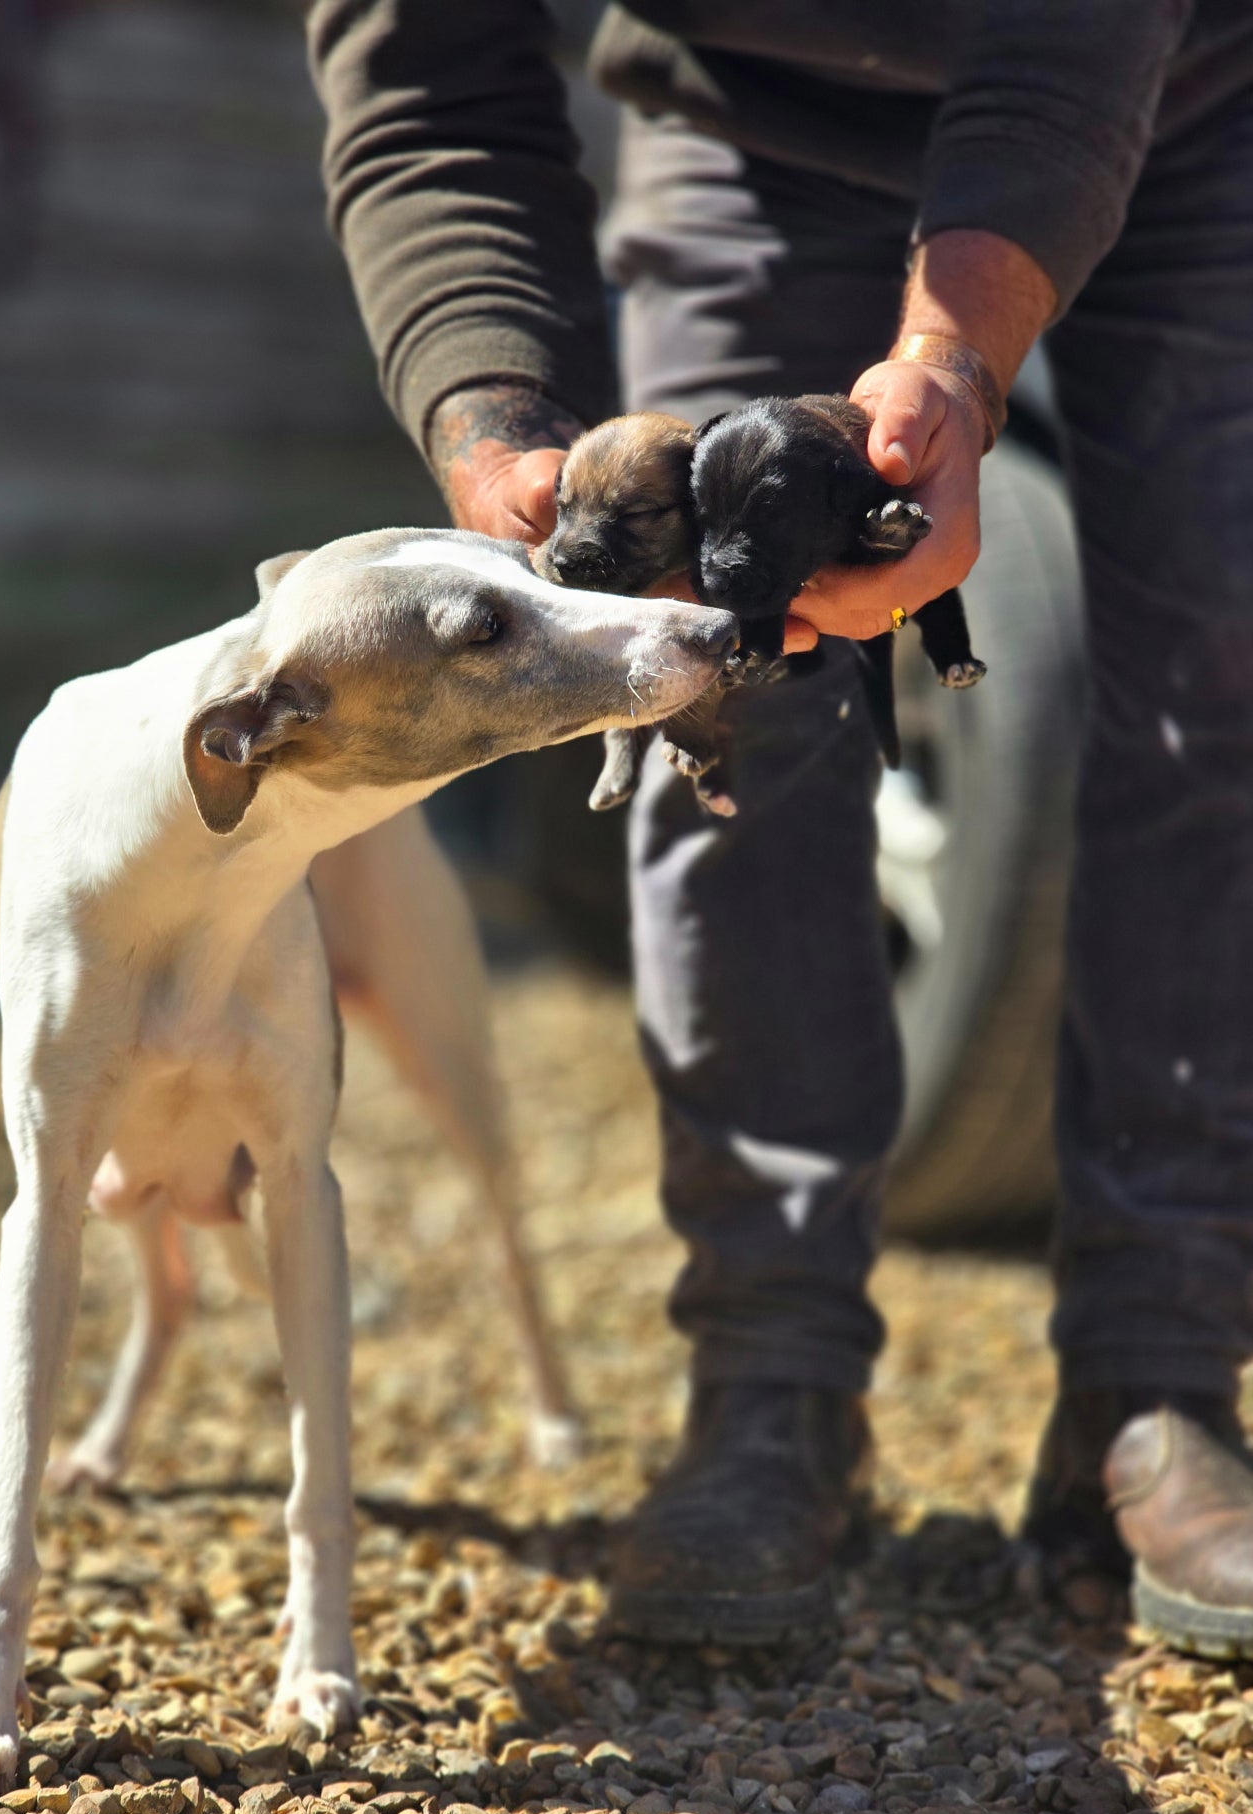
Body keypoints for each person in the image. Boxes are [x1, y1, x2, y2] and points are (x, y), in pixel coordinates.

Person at [305, 2, 1253, 1654]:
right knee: (711, 711)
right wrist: (492, 424)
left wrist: (955, 365)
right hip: (747, 121)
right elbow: (426, 82)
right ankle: (771, 1389)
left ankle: (1157, 1383)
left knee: (1215, 690)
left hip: (1183, 95)